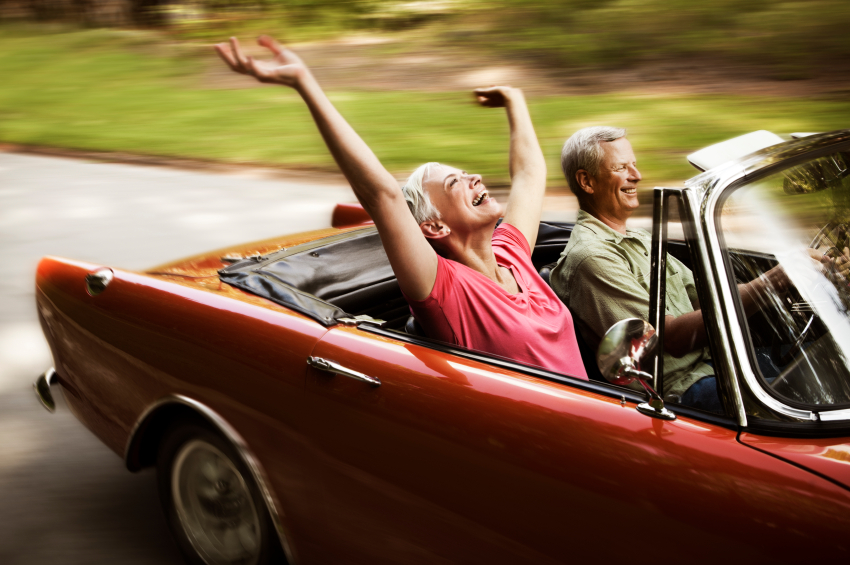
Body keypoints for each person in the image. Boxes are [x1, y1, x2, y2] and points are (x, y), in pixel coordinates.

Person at [214, 35, 587, 380]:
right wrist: (303, 82)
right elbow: (382, 195)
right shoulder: (445, 290)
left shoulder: (511, 254)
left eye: (465, 173)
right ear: (434, 226)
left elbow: (528, 173)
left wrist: (513, 99)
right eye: (454, 183)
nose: (473, 177)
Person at [549, 127, 812, 411]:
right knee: (814, 394)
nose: (636, 176)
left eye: (634, 164)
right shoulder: (591, 258)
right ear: (586, 181)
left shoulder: (639, 238)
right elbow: (670, 338)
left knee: (824, 363)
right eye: (621, 167)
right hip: (683, 392)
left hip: (717, 364)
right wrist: (772, 282)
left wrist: (799, 275)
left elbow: (707, 300)